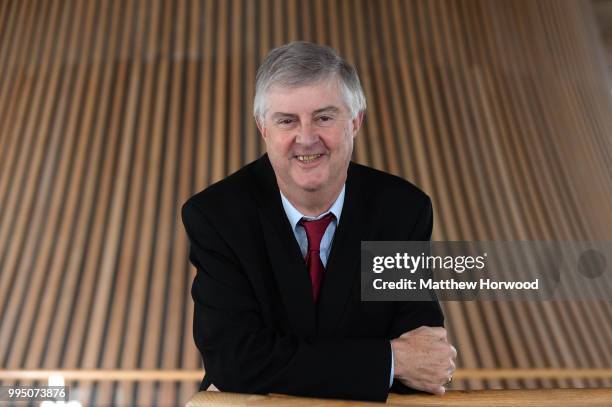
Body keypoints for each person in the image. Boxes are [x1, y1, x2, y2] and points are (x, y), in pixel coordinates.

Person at [181, 41, 457, 402]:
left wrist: (273, 367)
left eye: (324, 117)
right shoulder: (217, 216)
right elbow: (233, 361)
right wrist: (388, 360)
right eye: (287, 120)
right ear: (263, 128)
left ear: (355, 121)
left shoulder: (401, 211)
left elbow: (423, 361)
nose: (306, 138)